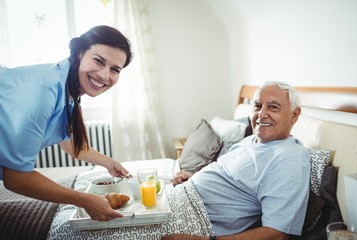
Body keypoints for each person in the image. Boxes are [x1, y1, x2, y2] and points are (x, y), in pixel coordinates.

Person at [0, 25, 133, 221]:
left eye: (115, 69)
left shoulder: (68, 88)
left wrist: (109, 163)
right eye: (98, 60)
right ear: (79, 53)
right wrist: (84, 200)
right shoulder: (45, 90)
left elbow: (69, 144)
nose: (105, 75)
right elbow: (16, 178)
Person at [163, 81, 311, 240]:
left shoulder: (288, 157)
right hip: (181, 194)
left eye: (273, 107)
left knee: (132, 223)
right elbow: (229, 181)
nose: (261, 114)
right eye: (258, 106)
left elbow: (276, 233)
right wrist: (193, 179)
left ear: (294, 115)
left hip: (193, 217)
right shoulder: (251, 140)